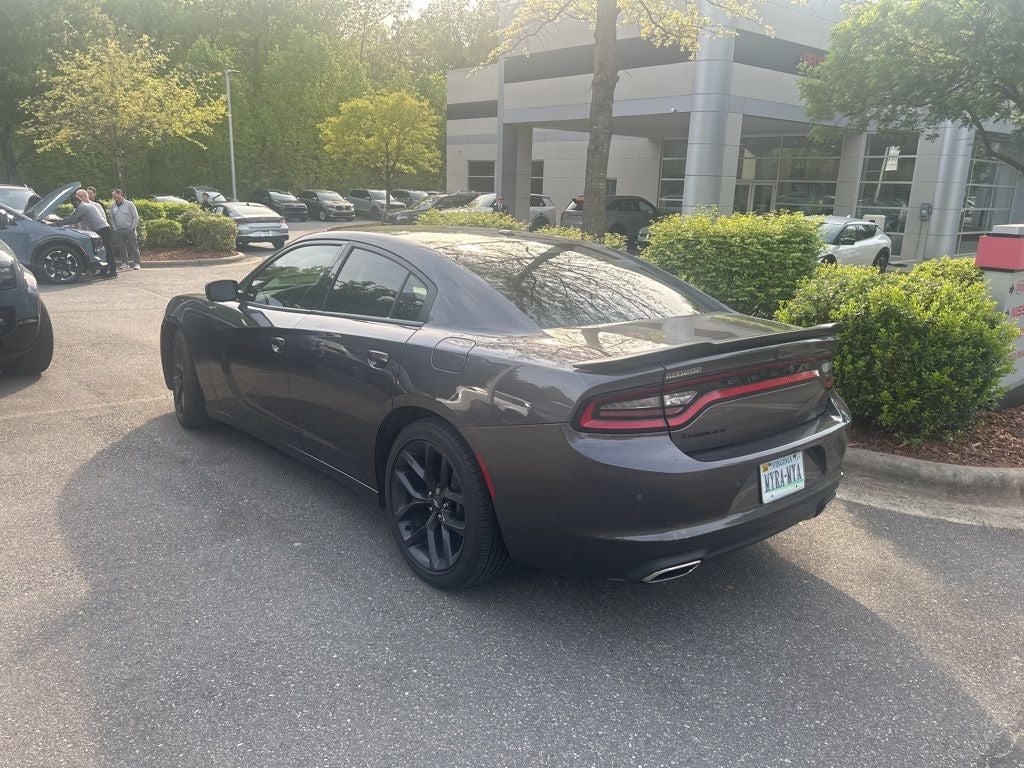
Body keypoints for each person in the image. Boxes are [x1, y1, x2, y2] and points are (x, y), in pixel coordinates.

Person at [57, 189, 117, 277]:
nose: (74, 206)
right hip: (100, 229)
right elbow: (75, 220)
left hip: (102, 229)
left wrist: (58, 223)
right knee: (102, 251)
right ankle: (104, 271)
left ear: (77, 202)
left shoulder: (83, 207)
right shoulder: (84, 207)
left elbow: (72, 219)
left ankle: (113, 271)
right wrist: (61, 223)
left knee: (108, 250)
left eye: (74, 204)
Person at [110, 188, 141, 270]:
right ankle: (125, 263)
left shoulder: (129, 204)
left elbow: (135, 216)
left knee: (133, 247)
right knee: (122, 247)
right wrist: (115, 228)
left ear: (120, 194)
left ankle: (137, 263)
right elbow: (112, 218)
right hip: (119, 230)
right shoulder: (113, 206)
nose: (114, 196)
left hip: (130, 229)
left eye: (115, 194)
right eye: (113, 195)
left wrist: (132, 227)